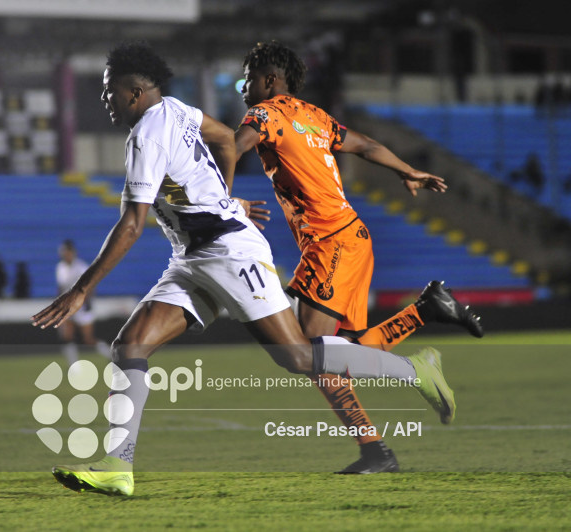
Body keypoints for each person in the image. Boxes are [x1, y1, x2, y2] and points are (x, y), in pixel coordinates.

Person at [31, 42, 457, 497]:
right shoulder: (176, 109)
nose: (104, 97)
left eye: (108, 89)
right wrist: (223, 197)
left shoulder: (148, 135)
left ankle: (414, 371)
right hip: (193, 257)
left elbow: (133, 224)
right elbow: (221, 138)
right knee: (130, 345)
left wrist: (81, 290)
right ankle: (118, 467)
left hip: (228, 252)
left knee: (297, 356)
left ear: (134, 91)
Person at [233, 40, 484, 474]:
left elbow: (231, 147)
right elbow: (365, 145)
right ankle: (377, 448)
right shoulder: (315, 116)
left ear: (270, 80)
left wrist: (219, 194)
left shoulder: (264, 114)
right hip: (349, 237)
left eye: (248, 79)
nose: (243, 88)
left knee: (307, 352)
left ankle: (415, 367)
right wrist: (407, 170)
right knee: (331, 358)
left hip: (330, 242)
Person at [55, 239, 110, 364]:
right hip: (67, 307)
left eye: (67, 252)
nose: (65, 254)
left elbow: (91, 286)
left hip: (81, 306)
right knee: (67, 337)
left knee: (88, 339)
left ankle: (111, 354)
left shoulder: (81, 267)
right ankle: (73, 366)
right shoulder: (60, 267)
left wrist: (87, 302)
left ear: (73, 252)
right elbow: (60, 288)